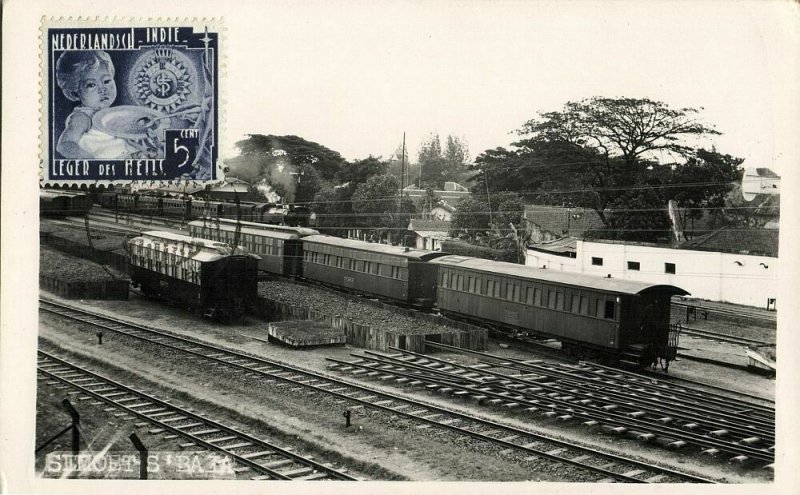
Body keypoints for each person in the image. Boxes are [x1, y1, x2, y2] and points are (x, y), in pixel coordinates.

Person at [55, 50, 136, 159]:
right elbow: (64, 145)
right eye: (91, 85)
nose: (102, 89)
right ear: (74, 93)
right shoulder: (83, 116)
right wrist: (92, 162)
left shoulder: (109, 112)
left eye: (106, 81)